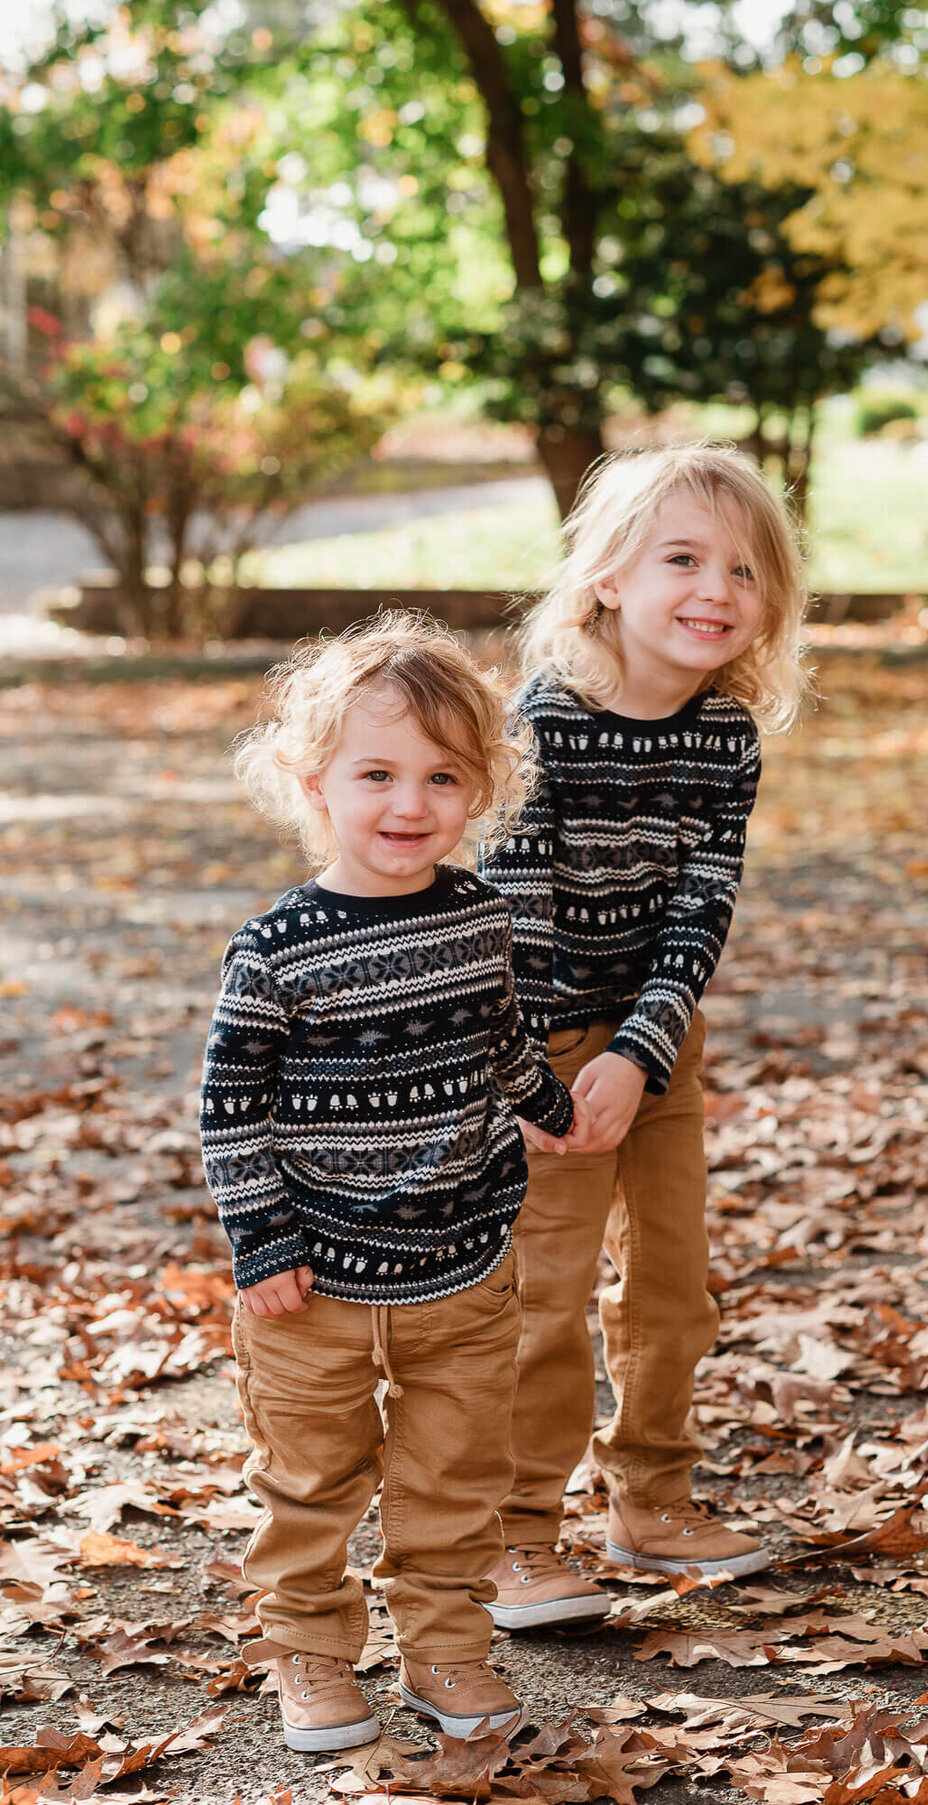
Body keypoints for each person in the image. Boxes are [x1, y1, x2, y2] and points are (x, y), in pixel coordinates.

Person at [199, 613, 579, 1752]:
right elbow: (231, 1106)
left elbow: (502, 1035)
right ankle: (312, 1648)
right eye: (377, 773)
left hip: (462, 1261)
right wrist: (262, 1243)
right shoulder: (280, 946)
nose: (409, 803)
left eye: (441, 777)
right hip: (310, 1278)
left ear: (480, 790)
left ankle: (446, 1647)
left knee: (457, 1471)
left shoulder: (479, 915)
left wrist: (547, 1106)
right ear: (312, 781)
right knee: (312, 1474)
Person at [478, 443, 809, 1630]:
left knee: (673, 1283)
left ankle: (650, 1497)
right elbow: (515, 912)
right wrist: (553, 1072)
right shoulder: (544, 723)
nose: (716, 588)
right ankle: (516, 1535)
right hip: (540, 1047)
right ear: (609, 575)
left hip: (656, 1042)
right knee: (546, 1291)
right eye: (682, 557)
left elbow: (700, 907)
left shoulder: (724, 739)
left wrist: (644, 1050)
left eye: (745, 569)